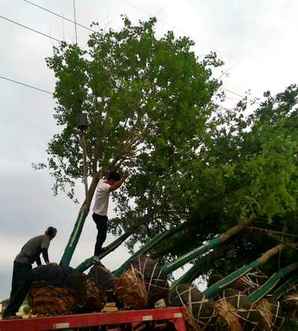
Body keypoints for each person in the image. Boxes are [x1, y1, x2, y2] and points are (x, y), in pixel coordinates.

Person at [3, 226, 57, 318]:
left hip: (19, 262)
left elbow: (36, 256)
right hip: (24, 264)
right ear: (53, 235)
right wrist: (48, 263)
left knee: (16, 288)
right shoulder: (46, 238)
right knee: (22, 288)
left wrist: (40, 266)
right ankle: (9, 313)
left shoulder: (39, 238)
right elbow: (44, 250)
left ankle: (9, 313)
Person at [92, 171, 128, 256]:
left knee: (102, 235)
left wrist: (104, 171)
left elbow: (102, 176)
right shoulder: (105, 187)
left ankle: (98, 250)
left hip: (99, 215)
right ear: (111, 180)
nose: (114, 183)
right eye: (115, 181)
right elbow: (115, 187)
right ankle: (97, 253)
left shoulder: (101, 182)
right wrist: (123, 179)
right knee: (102, 236)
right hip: (99, 216)